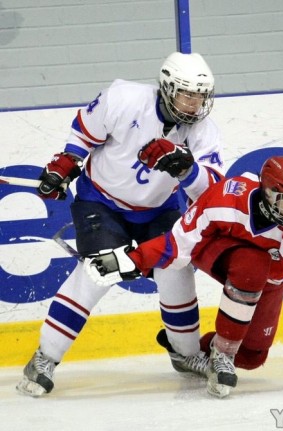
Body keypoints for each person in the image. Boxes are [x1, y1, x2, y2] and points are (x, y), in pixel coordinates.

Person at [84, 154, 283, 399]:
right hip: (214, 251)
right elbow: (179, 244)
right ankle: (222, 355)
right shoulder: (226, 197)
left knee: (253, 356)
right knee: (252, 262)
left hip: (267, 280)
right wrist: (131, 260)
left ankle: (192, 353)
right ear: (268, 193)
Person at [16, 52, 225, 397]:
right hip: (101, 201)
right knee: (100, 270)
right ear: (168, 89)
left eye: (201, 96)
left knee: (177, 267)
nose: (195, 104)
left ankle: (186, 355)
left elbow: (212, 191)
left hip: (159, 209)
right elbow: (85, 131)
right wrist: (68, 160)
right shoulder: (124, 98)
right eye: (188, 95)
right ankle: (44, 358)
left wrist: (185, 168)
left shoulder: (204, 131)